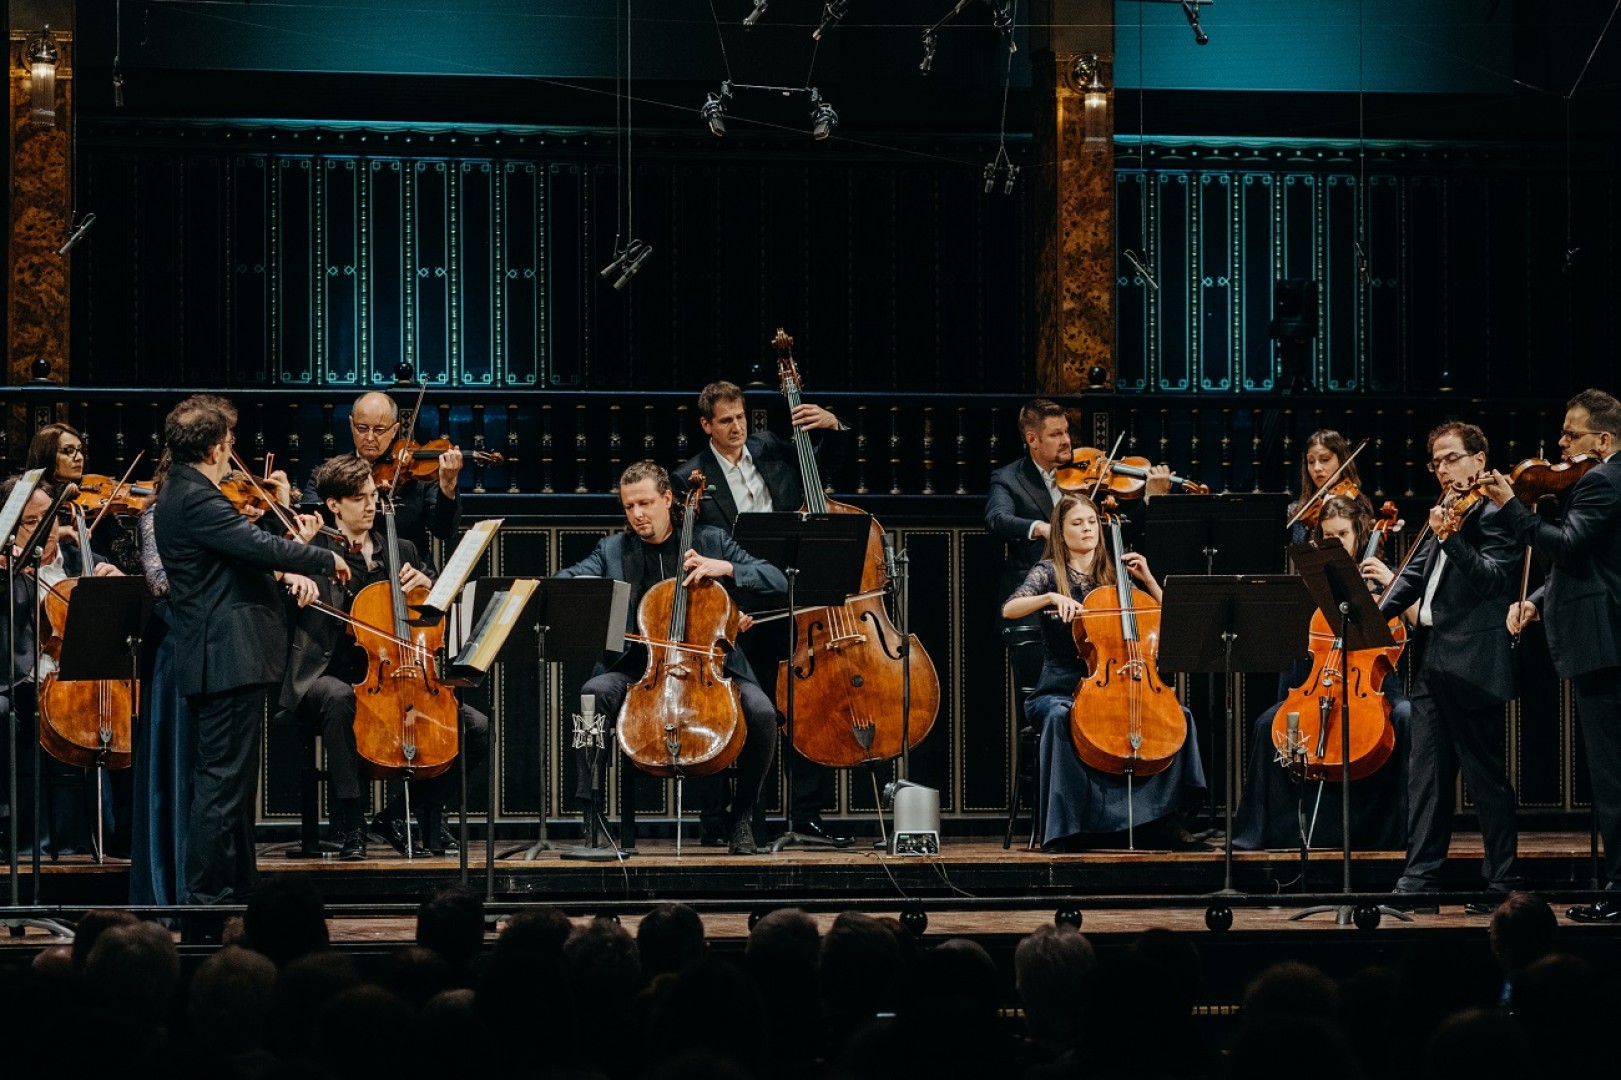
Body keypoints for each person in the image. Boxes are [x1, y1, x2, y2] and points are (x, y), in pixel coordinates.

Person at [152, 395, 348, 906]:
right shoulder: (196, 497)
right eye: (229, 440)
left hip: (226, 659)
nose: (232, 448)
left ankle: (238, 890)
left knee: (230, 787)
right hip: (227, 658)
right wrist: (323, 557)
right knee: (221, 786)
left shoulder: (187, 491)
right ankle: (205, 903)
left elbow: (242, 551)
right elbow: (258, 548)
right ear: (215, 448)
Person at [554, 460, 787, 854]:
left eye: (645, 503)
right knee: (593, 694)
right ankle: (592, 818)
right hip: (639, 668)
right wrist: (586, 588)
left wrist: (725, 568)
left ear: (667, 499)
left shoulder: (711, 540)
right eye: (629, 506)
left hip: (710, 665)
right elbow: (564, 581)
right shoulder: (613, 550)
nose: (637, 514)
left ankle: (742, 816)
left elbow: (776, 579)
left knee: (763, 713)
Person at [278, 453, 489, 859]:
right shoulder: (314, 548)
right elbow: (279, 590)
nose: (370, 505)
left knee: (477, 727)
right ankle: (352, 824)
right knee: (339, 698)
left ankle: (394, 817)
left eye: (373, 496)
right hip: (328, 671)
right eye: (359, 498)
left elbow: (435, 613)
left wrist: (428, 586)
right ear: (334, 504)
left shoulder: (402, 549)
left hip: (400, 673)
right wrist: (295, 576)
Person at [671, 379, 849, 846]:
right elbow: (693, 551)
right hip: (733, 611)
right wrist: (728, 609)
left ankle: (805, 813)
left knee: (804, 704)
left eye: (741, 418)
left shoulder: (771, 448)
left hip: (787, 598)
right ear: (706, 425)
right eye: (725, 420)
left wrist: (833, 426)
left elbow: (823, 468)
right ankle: (721, 819)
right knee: (725, 710)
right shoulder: (689, 476)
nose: (737, 428)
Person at [999, 492, 1206, 851]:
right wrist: (1050, 597)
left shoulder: (1114, 575)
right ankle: (1068, 826)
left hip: (1122, 685)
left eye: (1092, 522)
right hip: (1060, 688)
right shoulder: (1048, 572)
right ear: (1060, 532)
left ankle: (1161, 820)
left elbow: (1170, 619)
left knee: (1178, 716)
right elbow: (1010, 608)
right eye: (1077, 523)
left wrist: (1149, 579)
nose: (1088, 529)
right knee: (1060, 718)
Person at [1483, 388, 1621, 921]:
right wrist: (1537, 601)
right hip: (1602, 641)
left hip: (1603, 644)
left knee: (1611, 779)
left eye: (1571, 434)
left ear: (1603, 439)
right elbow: (1587, 562)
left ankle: (1618, 892)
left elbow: (1565, 545)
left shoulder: (1603, 482)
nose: (1561, 443)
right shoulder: (1599, 480)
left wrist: (1510, 507)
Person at [1381, 421, 1522, 911]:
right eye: (1436, 462)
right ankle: (1419, 882)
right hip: (1433, 658)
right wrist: (1372, 617)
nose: (1443, 469)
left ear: (1479, 460)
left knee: (1485, 779)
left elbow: (1493, 581)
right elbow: (1414, 575)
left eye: (1451, 458)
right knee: (1426, 777)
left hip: (1475, 661)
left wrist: (1451, 538)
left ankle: (1503, 882)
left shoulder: (1497, 513)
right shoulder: (1445, 510)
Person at [1231, 495, 1412, 852]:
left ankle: (1396, 834)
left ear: (1359, 534)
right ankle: (1261, 832)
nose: (1337, 543)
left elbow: (1413, 625)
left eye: (1343, 534)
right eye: (1329, 536)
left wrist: (1390, 587)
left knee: (1406, 718)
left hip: (1375, 689)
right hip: (1321, 682)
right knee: (1268, 723)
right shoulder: (1313, 582)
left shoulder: (1387, 579)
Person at [987, 401, 1169, 721]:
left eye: (1066, 432)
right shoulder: (1009, 478)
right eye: (1055, 434)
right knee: (1050, 705)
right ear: (1032, 439)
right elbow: (997, 518)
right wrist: (1041, 527)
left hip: (1095, 608)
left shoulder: (1088, 476)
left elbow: (1116, 530)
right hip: (1038, 614)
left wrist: (1150, 499)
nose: (1066, 441)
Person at [302, 391, 463, 560]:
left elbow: (445, 531)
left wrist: (448, 486)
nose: (370, 437)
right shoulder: (327, 475)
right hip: (348, 568)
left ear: (394, 430)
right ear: (351, 424)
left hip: (410, 569)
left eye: (379, 430)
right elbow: (311, 521)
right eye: (362, 428)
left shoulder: (418, 474)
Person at [1287, 429, 1373, 546]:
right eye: (1311, 461)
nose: (1317, 468)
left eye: (1325, 460)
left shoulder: (1358, 507)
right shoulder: (1297, 510)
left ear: (1341, 461)